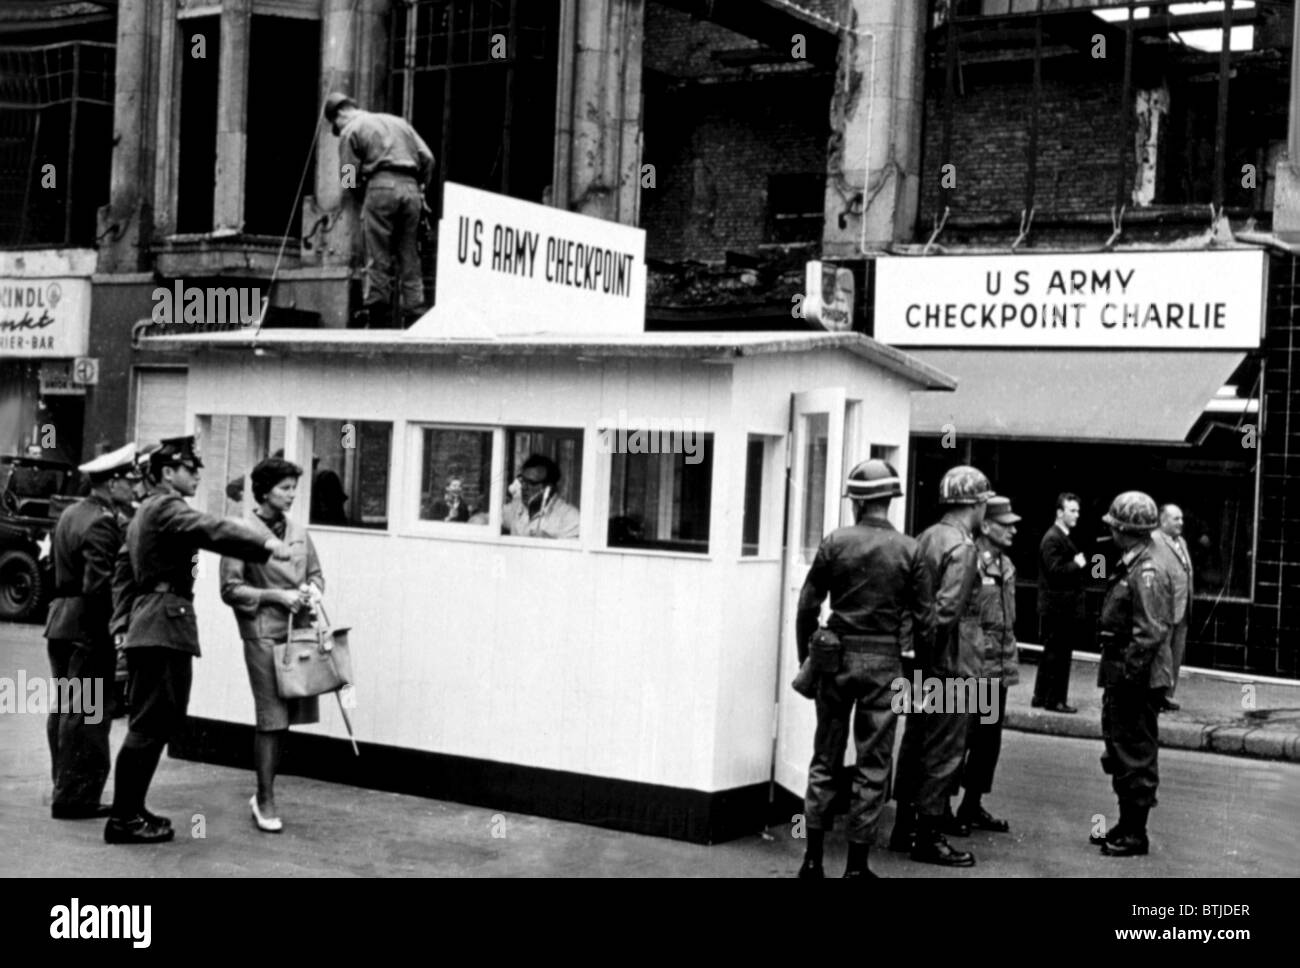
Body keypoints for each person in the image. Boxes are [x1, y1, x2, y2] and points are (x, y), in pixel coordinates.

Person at [105, 436, 291, 845]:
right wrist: (262, 542)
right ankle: (124, 819)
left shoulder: (143, 512)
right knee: (151, 724)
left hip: (151, 623)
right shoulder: (166, 506)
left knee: (154, 722)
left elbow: (122, 571)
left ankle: (131, 810)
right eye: (190, 469)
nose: (196, 475)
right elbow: (210, 528)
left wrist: (123, 626)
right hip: (164, 625)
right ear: (167, 473)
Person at [795, 459, 934, 879]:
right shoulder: (911, 549)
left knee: (825, 757)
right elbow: (925, 623)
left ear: (856, 501)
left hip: (835, 658)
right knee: (873, 764)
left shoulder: (835, 541)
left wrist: (809, 655)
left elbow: (807, 605)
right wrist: (919, 675)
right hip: (885, 662)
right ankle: (857, 867)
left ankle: (813, 860)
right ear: (890, 500)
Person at [889, 464, 992, 867]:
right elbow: (947, 612)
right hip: (952, 661)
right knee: (946, 750)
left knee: (915, 742)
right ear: (975, 504)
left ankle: (904, 826)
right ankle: (929, 837)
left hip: (920, 658)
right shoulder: (963, 547)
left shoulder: (926, 537)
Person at [220, 457, 324, 833]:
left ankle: (264, 792)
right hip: (262, 632)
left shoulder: (298, 530)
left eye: (294, 487)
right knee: (271, 716)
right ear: (263, 491)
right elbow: (230, 589)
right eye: (284, 488)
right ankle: (264, 799)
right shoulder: (240, 531)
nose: (292, 495)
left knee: (284, 720)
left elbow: (315, 574)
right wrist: (278, 596)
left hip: (297, 632)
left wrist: (311, 592)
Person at [44, 443, 137, 819]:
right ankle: (77, 797)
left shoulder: (71, 512)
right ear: (111, 483)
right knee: (89, 712)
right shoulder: (102, 521)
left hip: (61, 621)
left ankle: (63, 784)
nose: (133, 487)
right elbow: (100, 585)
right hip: (88, 626)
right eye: (128, 481)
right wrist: (116, 627)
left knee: (67, 706)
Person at [1090, 491, 1173, 857]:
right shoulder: (1135, 563)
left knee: (1134, 751)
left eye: (1114, 527)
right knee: (1121, 748)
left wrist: (1129, 678)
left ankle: (1135, 833)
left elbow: (1151, 632)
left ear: (1125, 530)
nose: (1110, 533)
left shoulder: (1146, 570)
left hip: (1133, 679)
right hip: (1124, 673)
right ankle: (1127, 825)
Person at [324, 91, 435, 329]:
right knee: (410, 256)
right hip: (411, 189)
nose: (338, 129)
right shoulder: (399, 123)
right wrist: (420, 187)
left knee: (377, 254)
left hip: (379, 188)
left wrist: (365, 197)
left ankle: (378, 320)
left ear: (340, 113)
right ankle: (415, 318)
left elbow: (348, 178)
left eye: (335, 124)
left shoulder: (351, 130)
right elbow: (428, 158)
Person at [954, 495, 1021, 833]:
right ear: (985, 525)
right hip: (975, 668)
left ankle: (971, 804)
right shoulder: (972, 563)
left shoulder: (1004, 564)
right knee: (961, 739)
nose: (1012, 529)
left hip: (996, 671)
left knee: (987, 741)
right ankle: (940, 810)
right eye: (1005, 523)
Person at [1034, 492, 1086, 713]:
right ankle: (1055, 700)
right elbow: (1054, 571)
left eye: (1077, 511)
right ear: (1059, 512)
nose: (1077, 515)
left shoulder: (1060, 536)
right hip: (1059, 607)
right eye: (1072, 511)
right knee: (1059, 655)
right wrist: (1076, 564)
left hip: (1059, 606)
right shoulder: (1053, 538)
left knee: (1051, 653)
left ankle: (1041, 695)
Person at [1152, 504, 1194, 712]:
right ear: (1163, 521)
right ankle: (1157, 696)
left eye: (1182, 519)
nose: (1181, 523)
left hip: (1182, 608)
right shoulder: (1155, 541)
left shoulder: (1182, 542)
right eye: (1176, 519)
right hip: (1164, 609)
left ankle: (1168, 695)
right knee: (1162, 655)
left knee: (1176, 655)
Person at [504, 455, 580, 539]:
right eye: (523, 481)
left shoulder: (570, 517)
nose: (524, 487)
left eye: (531, 483)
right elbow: (490, 521)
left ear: (549, 488)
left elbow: (571, 550)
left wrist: (549, 542)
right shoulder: (516, 506)